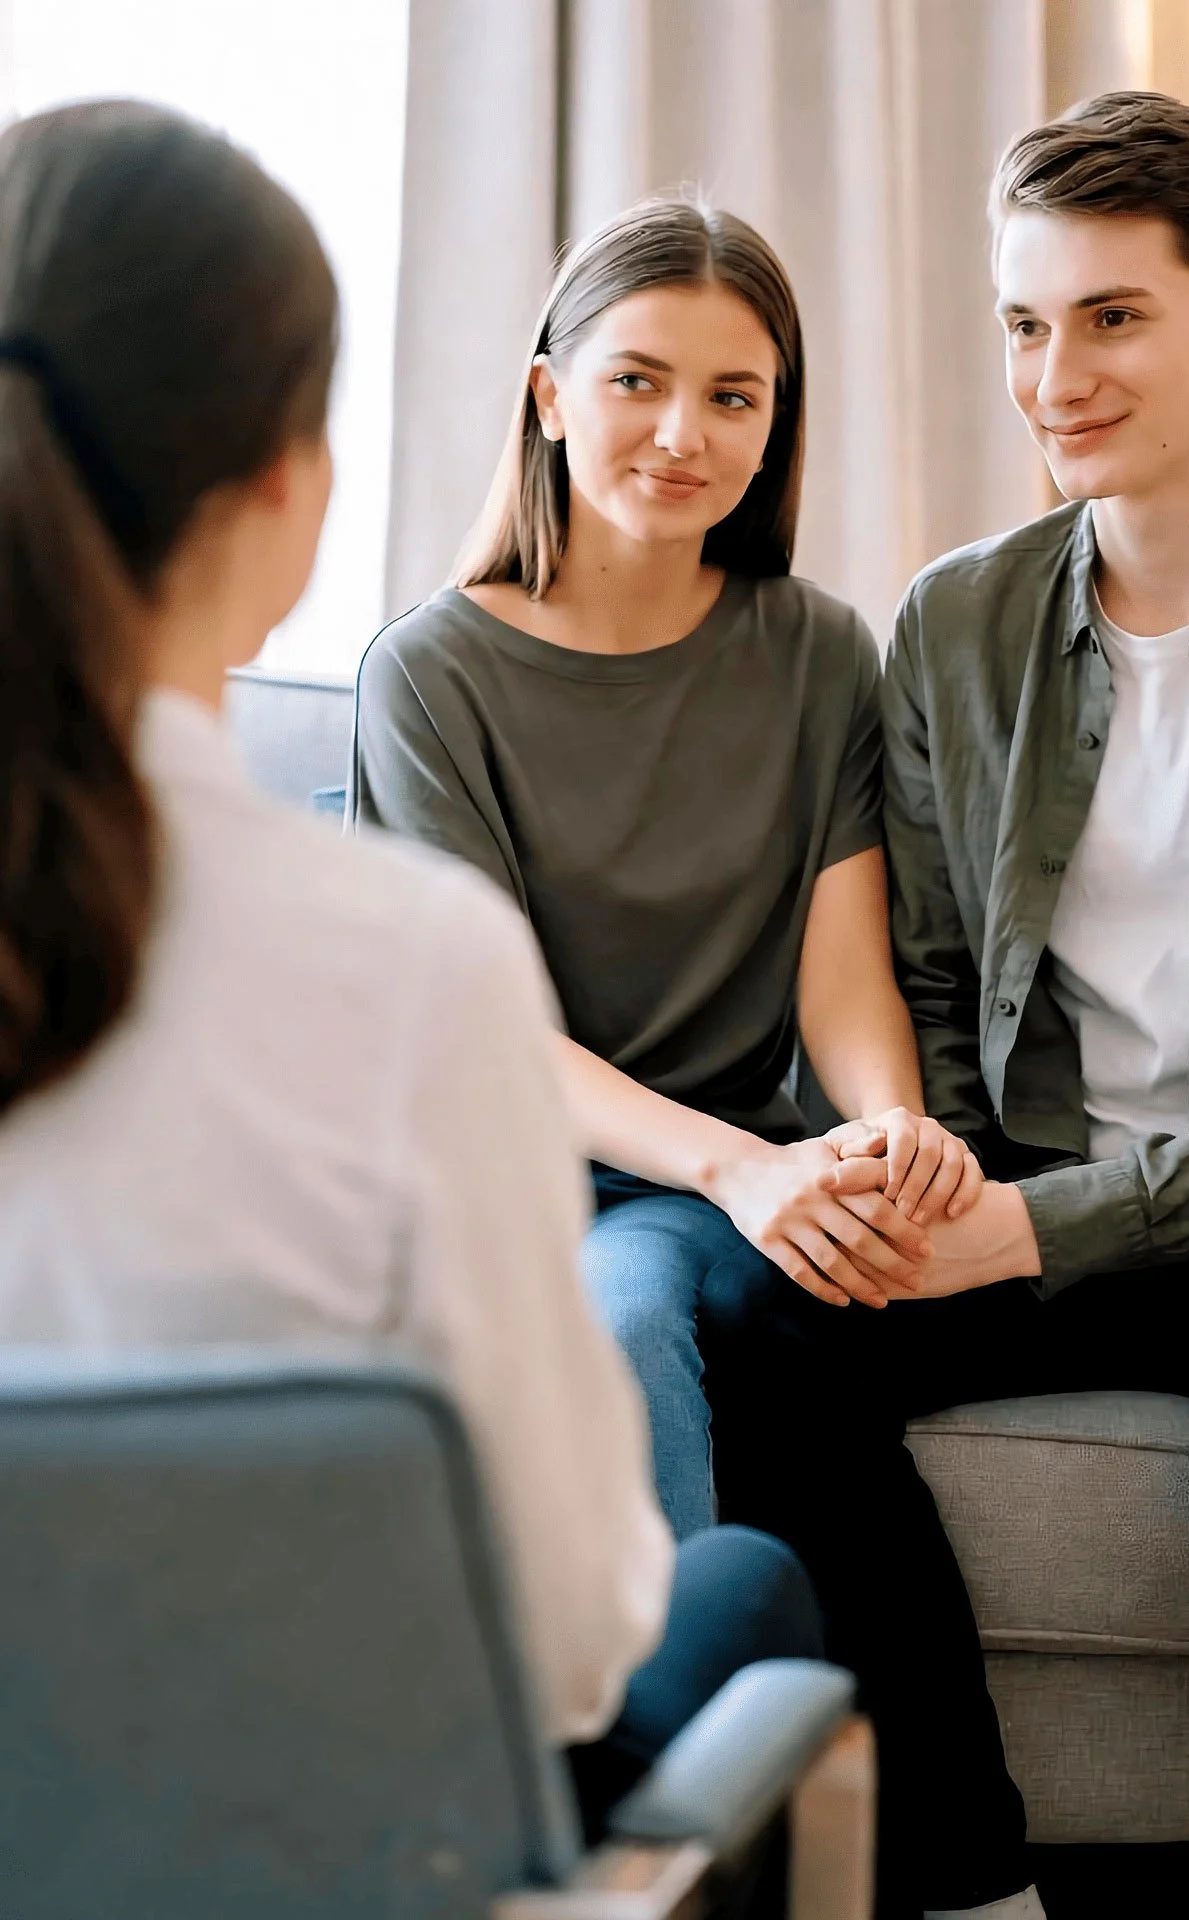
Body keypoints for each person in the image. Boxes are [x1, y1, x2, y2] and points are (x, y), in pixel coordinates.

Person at [702, 92, 1189, 1920]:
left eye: (1113, 318)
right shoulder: (955, 624)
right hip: (1037, 1183)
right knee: (760, 1312)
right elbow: (918, 974)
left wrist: (1019, 1237)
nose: (1053, 375)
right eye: (1022, 322)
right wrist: (923, 1185)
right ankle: (971, 1880)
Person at [0, 99, 820, 1842]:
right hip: (331, 1832)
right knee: (734, 1592)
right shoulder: (410, 969)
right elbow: (572, 1633)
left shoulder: (804, 659)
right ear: (292, 494)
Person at [350, 195, 982, 1538]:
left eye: (734, 396)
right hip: (511, 1178)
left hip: (703, 1186)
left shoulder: (819, 654)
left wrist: (886, 1128)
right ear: (550, 396)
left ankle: (750, 1724)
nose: (685, 435)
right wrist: (738, 1171)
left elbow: (843, 978)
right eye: (637, 380)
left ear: (776, 424)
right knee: (594, 1318)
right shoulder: (427, 675)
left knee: (681, 1314)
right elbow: (495, 1041)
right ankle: (660, 1731)